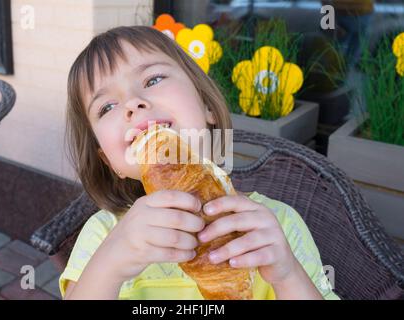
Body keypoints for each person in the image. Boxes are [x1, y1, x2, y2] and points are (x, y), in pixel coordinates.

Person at [59, 25, 339, 300]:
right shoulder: (104, 234)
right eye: (106, 107)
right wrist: (109, 265)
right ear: (110, 162)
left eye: (152, 80)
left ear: (207, 105)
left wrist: (287, 275)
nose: (133, 103)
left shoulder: (278, 225)